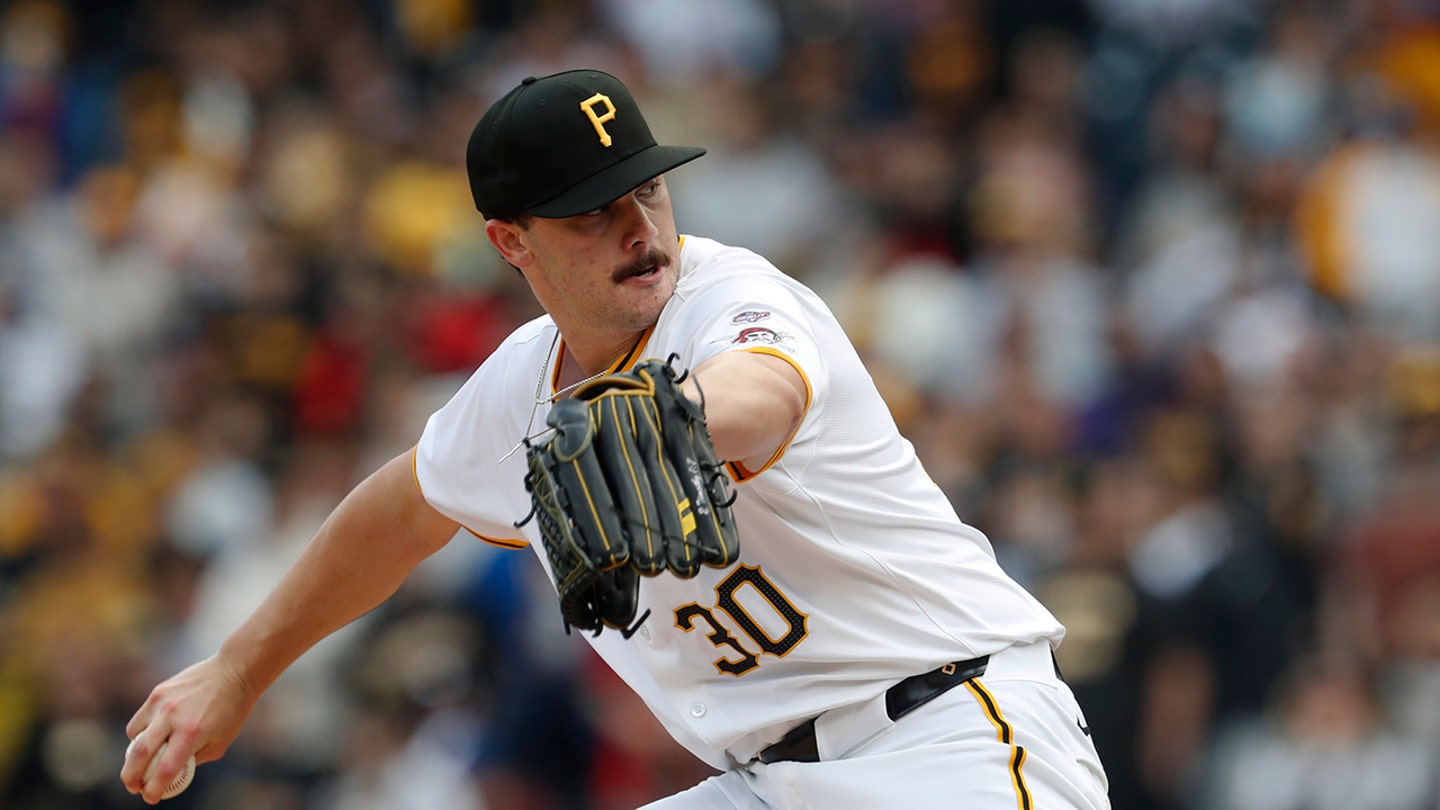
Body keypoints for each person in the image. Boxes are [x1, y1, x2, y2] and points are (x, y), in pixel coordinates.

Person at [120, 68, 1110, 808]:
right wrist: (238, 670)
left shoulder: (730, 298)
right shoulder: (520, 389)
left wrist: (655, 421)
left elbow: (763, 393)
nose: (639, 226)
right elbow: (400, 512)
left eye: (648, 188)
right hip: (770, 783)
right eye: (594, 211)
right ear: (512, 240)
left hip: (951, 738)